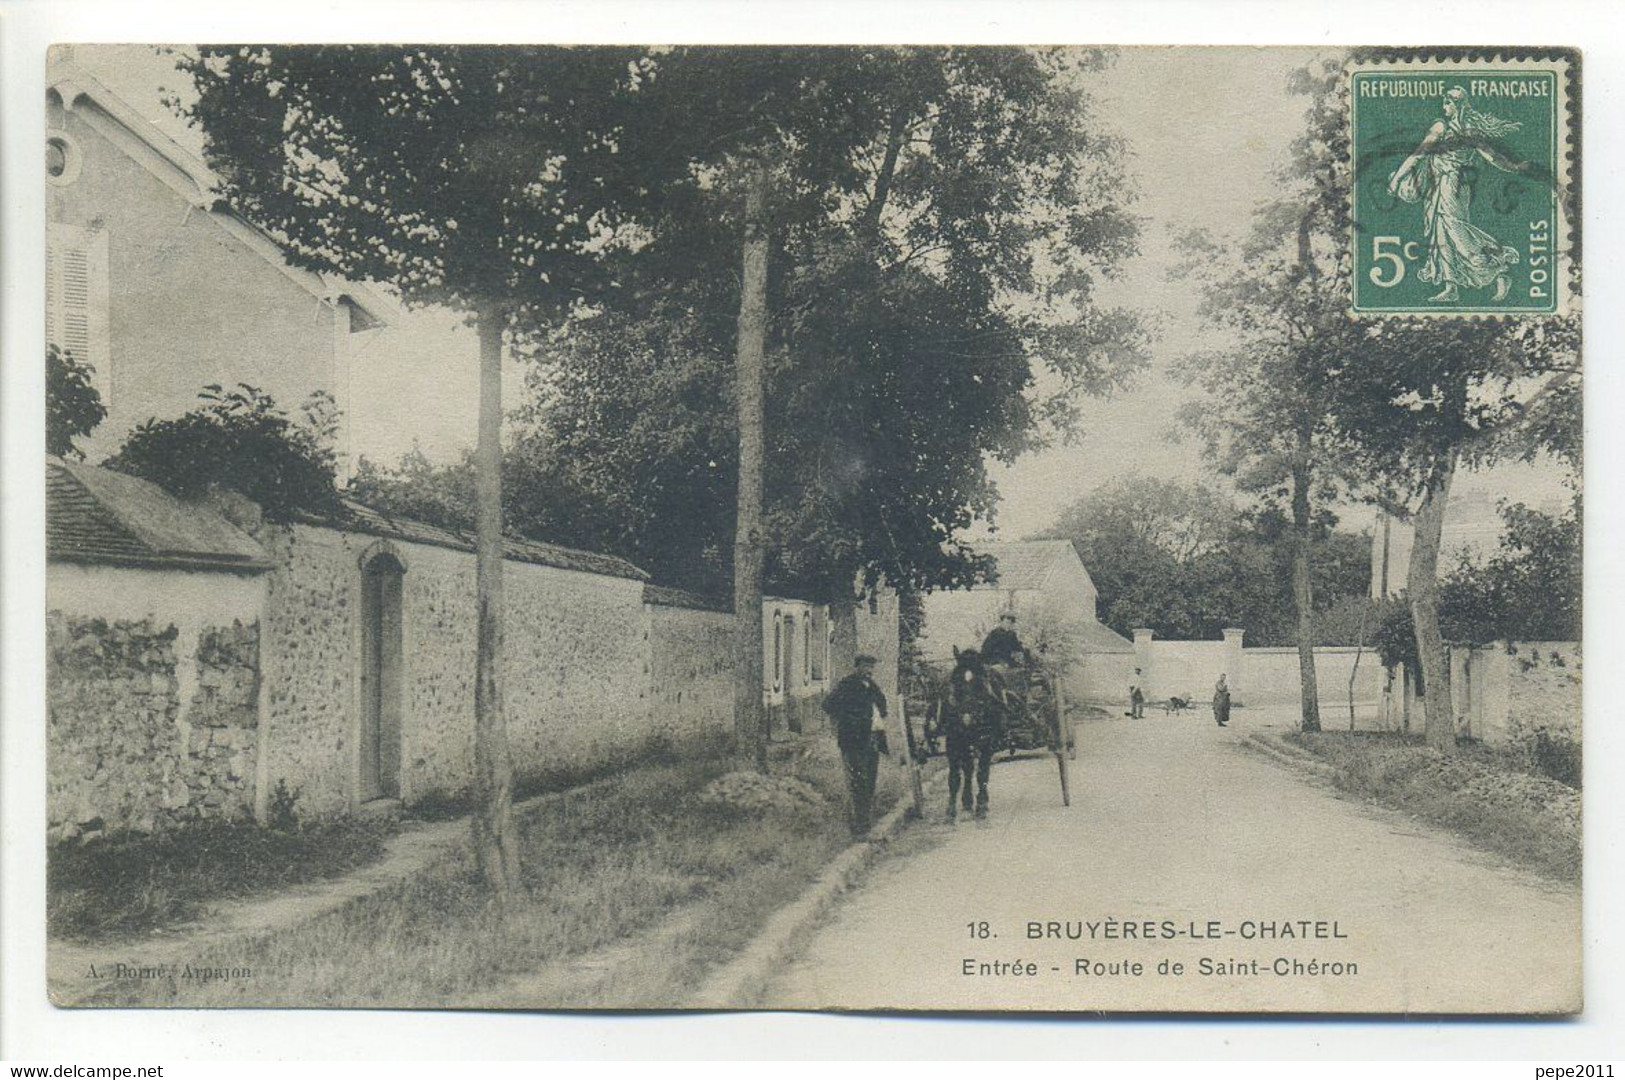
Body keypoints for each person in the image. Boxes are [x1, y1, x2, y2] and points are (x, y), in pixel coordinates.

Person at [1387, 86, 1528, 304]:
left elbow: (1417, 156)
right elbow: (1491, 157)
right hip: (1449, 185)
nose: (1444, 107)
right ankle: (1451, 286)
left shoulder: (1442, 128)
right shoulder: (1467, 129)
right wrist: (1512, 167)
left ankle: (1498, 268)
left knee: (1455, 230)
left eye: (1447, 102)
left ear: (1457, 104)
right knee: (1442, 233)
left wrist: (1396, 179)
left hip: (1450, 183)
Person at [822, 654, 889, 839]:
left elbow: (883, 707)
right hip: (853, 741)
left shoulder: (873, 687)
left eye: (871, 667)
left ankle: (865, 821)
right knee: (858, 781)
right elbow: (828, 705)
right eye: (866, 666)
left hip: (873, 740)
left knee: (869, 782)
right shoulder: (847, 685)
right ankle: (859, 827)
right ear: (857, 667)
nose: (869, 670)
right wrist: (849, 720)